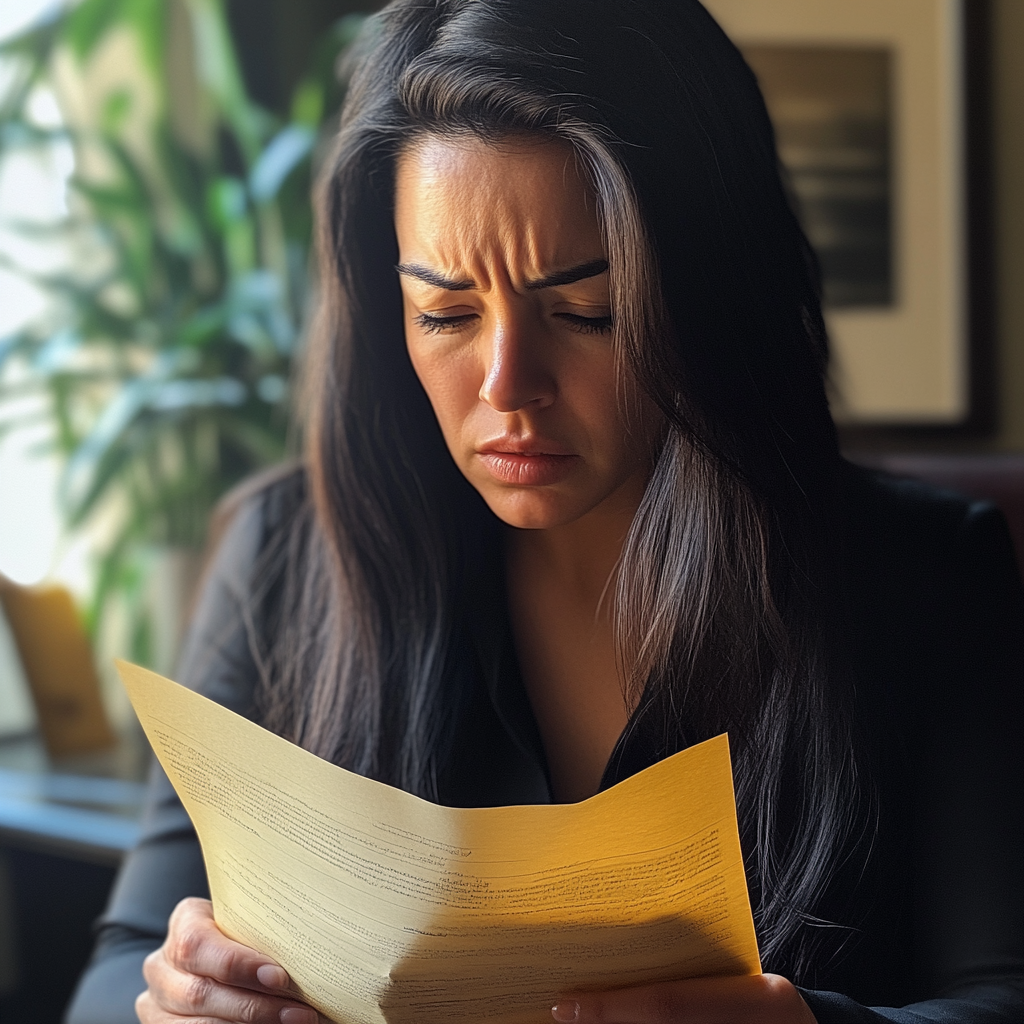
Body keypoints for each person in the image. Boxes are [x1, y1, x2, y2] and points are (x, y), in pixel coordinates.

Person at [66, 1, 1024, 1022]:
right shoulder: (287, 554)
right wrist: (174, 997)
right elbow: (118, 965)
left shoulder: (923, 579)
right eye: (443, 313)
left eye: (585, 311)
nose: (507, 384)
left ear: (707, 294)